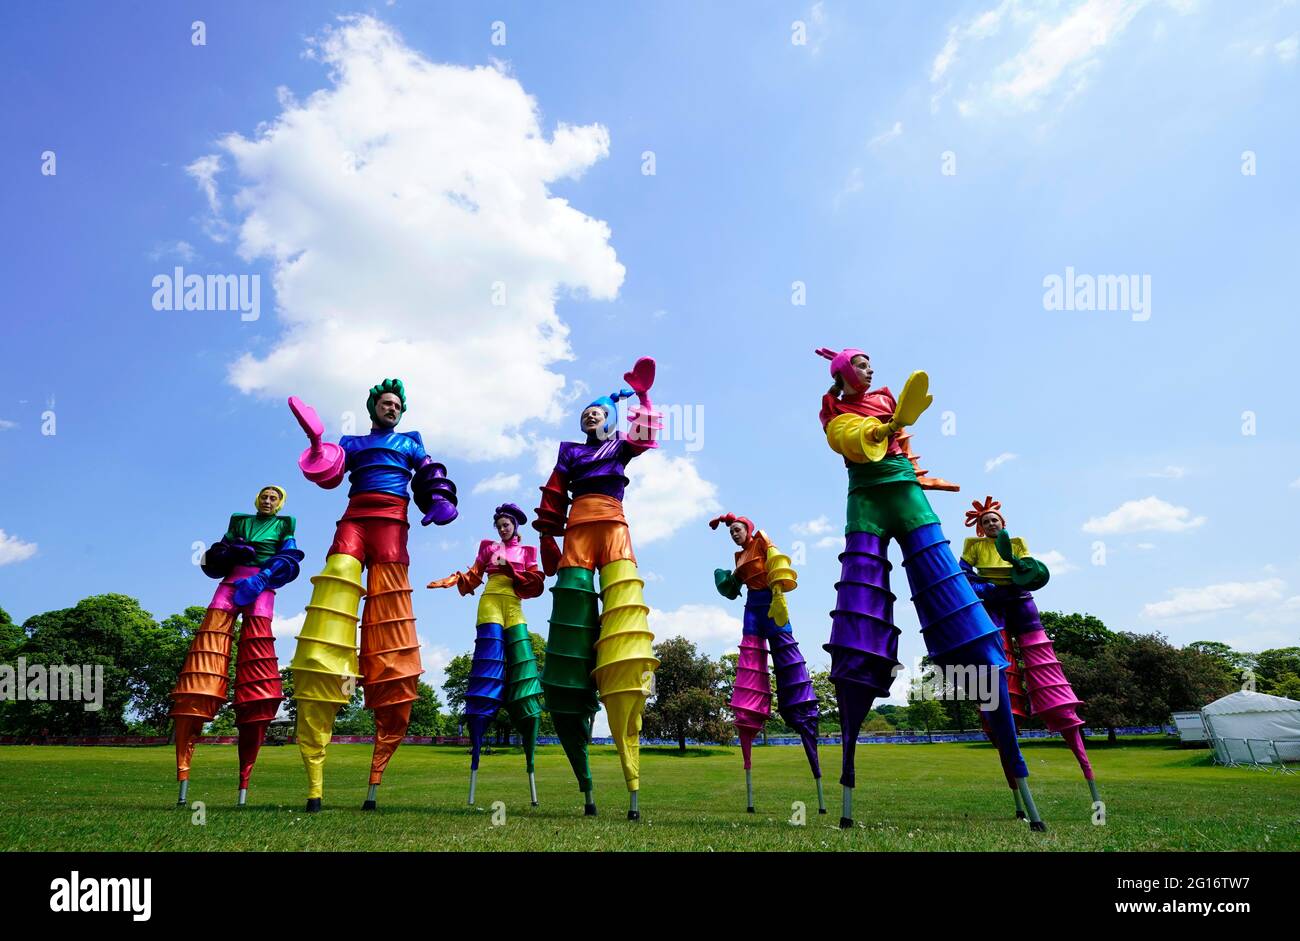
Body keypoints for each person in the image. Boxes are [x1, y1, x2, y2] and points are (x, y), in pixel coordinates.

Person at [815, 346, 1046, 831]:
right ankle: (848, 776)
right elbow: (847, 440)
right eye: (860, 363)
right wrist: (884, 426)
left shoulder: (884, 399)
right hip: (865, 507)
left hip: (910, 499)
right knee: (858, 632)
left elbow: (883, 434)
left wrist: (894, 421)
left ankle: (1017, 775)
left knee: (968, 628)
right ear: (842, 373)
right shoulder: (836, 411)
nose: (869, 368)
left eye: (869, 363)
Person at [287, 379, 458, 812]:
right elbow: (327, 475)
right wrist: (316, 443)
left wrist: (438, 501)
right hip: (354, 521)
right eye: (386, 403)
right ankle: (314, 780)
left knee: (391, 628)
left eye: (397, 404)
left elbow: (431, 474)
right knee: (336, 590)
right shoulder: (353, 442)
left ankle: (376, 776)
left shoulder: (412, 442)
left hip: (393, 528)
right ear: (373, 407)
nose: (392, 409)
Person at [533, 357, 661, 819]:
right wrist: (546, 536)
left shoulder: (619, 448)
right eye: (585, 412)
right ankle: (584, 781)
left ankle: (632, 774)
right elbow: (553, 493)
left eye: (597, 412)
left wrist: (642, 398)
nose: (590, 416)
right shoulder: (570, 451)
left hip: (614, 527)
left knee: (624, 616)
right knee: (569, 624)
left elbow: (646, 437)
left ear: (609, 419)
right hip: (576, 531)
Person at [961, 495, 1100, 811]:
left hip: (1021, 603)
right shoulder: (973, 546)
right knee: (998, 679)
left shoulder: (1017, 543)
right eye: (985, 521)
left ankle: (1087, 774)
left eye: (994, 519)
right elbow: (965, 575)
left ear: (1003, 523)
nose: (990, 524)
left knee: (1045, 669)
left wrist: (1021, 576)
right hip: (992, 607)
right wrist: (987, 590)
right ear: (980, 528)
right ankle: (1018, 794)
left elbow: (1030, 569)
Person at [172, 485, 303, 806]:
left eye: (274, 498)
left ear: (280, 503)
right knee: (206, 650)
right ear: (256, 499)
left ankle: (245, 779)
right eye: (264, 496)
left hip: (261, 587)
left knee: (258, 661)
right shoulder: (239, 520)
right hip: (230, 584)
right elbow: (219, 552)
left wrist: (263, 577)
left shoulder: (287, 523)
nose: (268, 501)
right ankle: (183, 770)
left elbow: (290, 556)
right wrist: (230, 552)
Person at [428, 503, 545, 806]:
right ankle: (477, 750)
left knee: (523, 660)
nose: (503, 529)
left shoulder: (528, 551)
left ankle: (531, 763)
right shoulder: (488, 547)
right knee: (488, 661)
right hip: (490, 600)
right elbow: (475, 572)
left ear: (515, 526)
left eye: (506, 525)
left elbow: (534, 583)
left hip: (514, 603)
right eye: (499, 525)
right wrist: (456, 579)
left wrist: (512, 571)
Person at [711, 513, 823, 814]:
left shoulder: (762, 540)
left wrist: (778, 595)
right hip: (751, 609)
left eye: (738, 530)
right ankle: (748, 731)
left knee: (789, 662)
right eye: (731, 532)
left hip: (772, 607)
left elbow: (776, 566)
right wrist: (724, 580)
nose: (735, 534)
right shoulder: (739, 557)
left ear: (748, 529)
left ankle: (805, 728)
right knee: (749, 665)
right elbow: (732, 587)